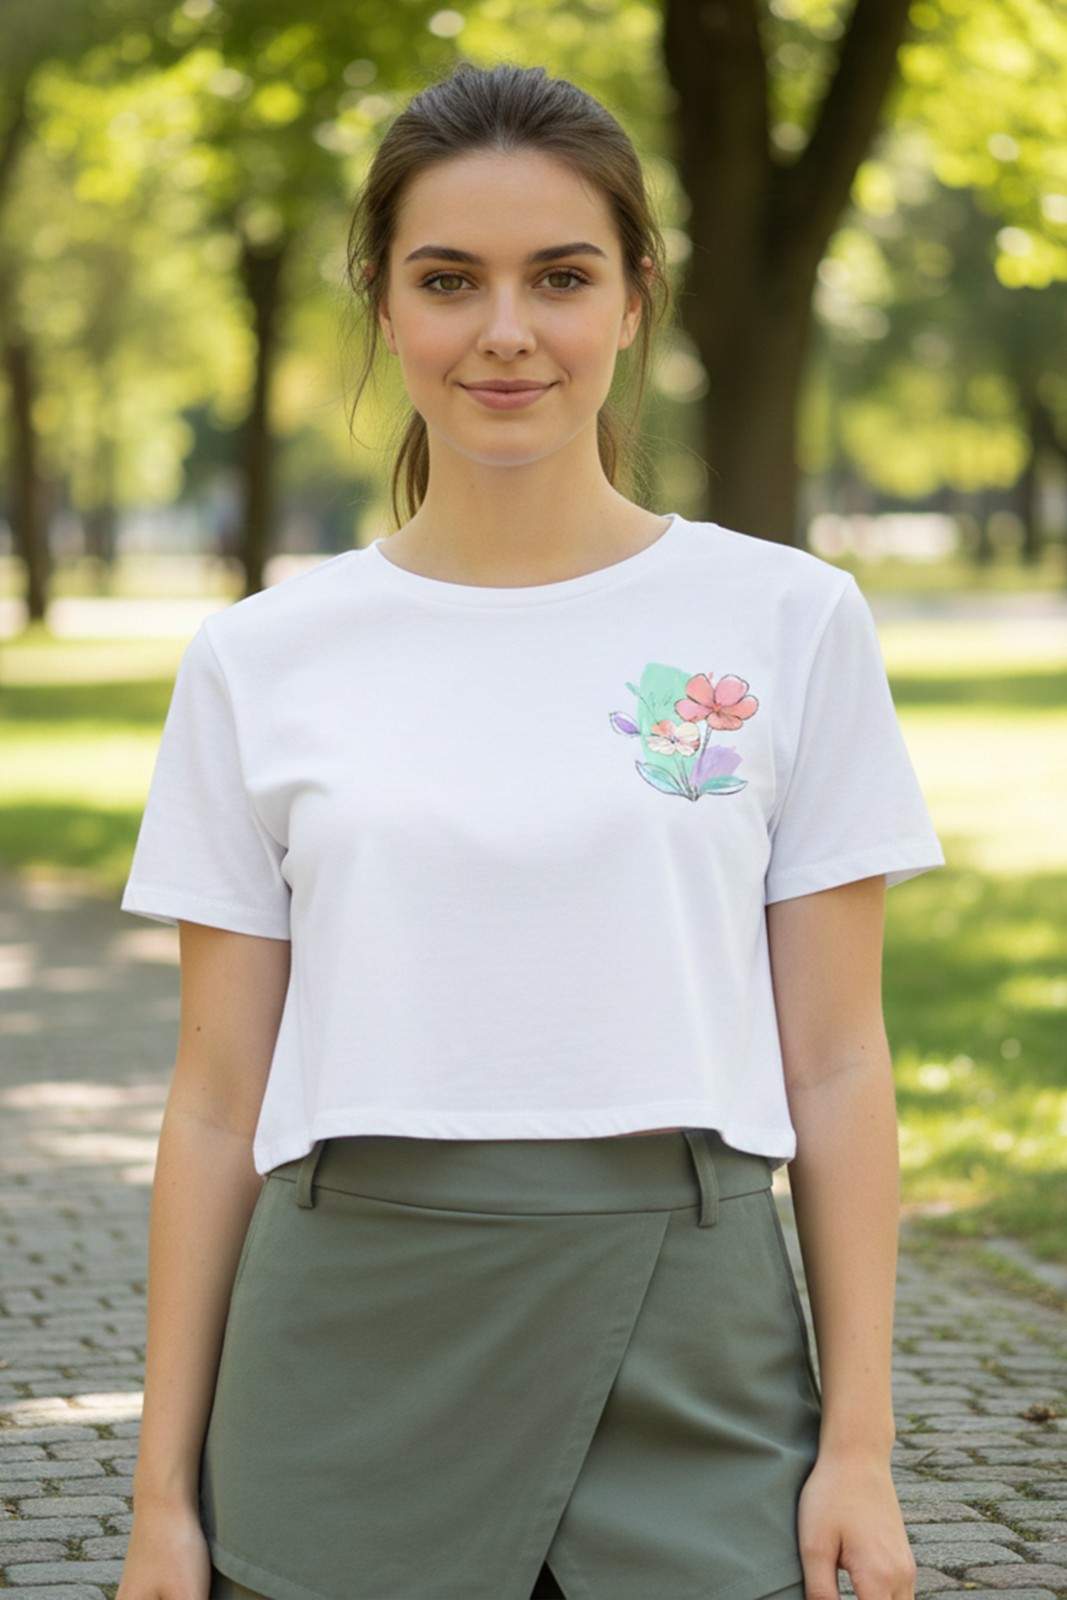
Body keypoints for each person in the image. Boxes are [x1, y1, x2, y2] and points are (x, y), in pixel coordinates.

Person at [115, 59, 943, 1600]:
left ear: (636, 297)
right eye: (450, 280)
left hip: (693, 1331)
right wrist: (164, 1493)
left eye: (560, 277)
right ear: (384, 304)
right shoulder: (260, 658)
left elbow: (835, 1062)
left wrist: (862, 1447)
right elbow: (219, 1097)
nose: (506, 330)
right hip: (346, 1328)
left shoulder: (788, 621)